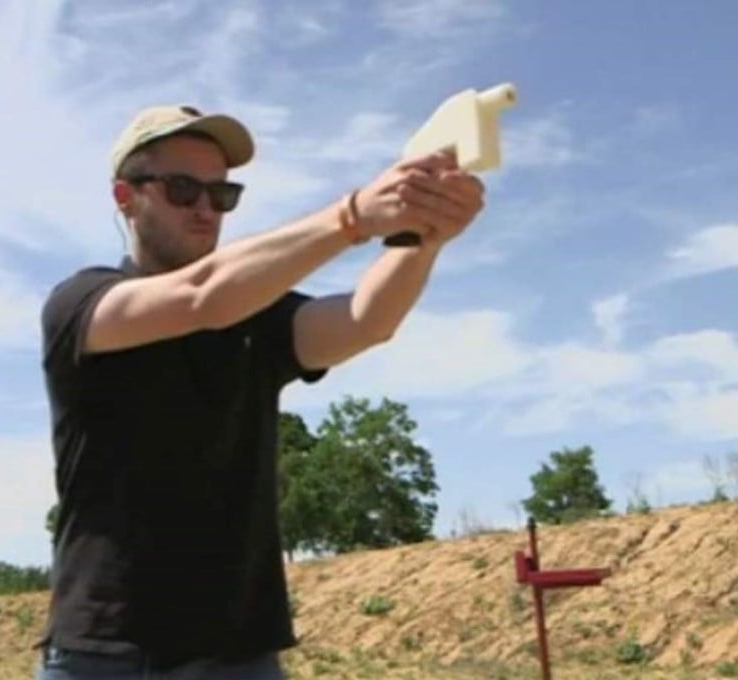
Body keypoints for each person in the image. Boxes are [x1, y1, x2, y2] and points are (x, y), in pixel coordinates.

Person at [36, 104, 485, 679]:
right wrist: (351, 217)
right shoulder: (83, 305)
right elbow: (203, 297)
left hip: (240, 652)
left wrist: (422, 234)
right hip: (109, 654)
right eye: (182, 189)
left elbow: (365, 320)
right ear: (126, 197)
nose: (205, 208)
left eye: (221, 194)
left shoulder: (255, 314)